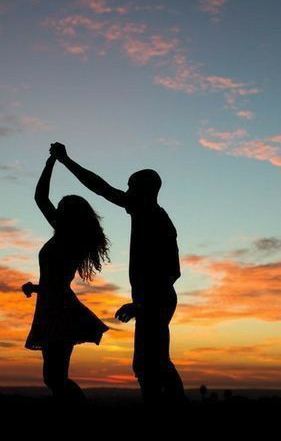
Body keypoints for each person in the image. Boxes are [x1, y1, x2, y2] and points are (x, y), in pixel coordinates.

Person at [51, 142, 185, 406]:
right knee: (153, 363)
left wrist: (141, 305)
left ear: (144, 191)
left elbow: (171, 271)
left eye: (131, 187)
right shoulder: (147, 214)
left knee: (150, 365)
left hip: (156, 301)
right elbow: (101, 188)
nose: (125, 192)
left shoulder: (157, 220)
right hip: (153, 301)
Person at [22, 147, 110, 404]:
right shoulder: (64, 237)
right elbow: (56, 280)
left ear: (70, 216)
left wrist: (52, 162)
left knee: (55, 377)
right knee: (54, 377)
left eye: (61, 207)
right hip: (52, 304)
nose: (56, 211)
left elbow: (40, 198)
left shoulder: (71, 239)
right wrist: (36, 288)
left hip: (59, 308)